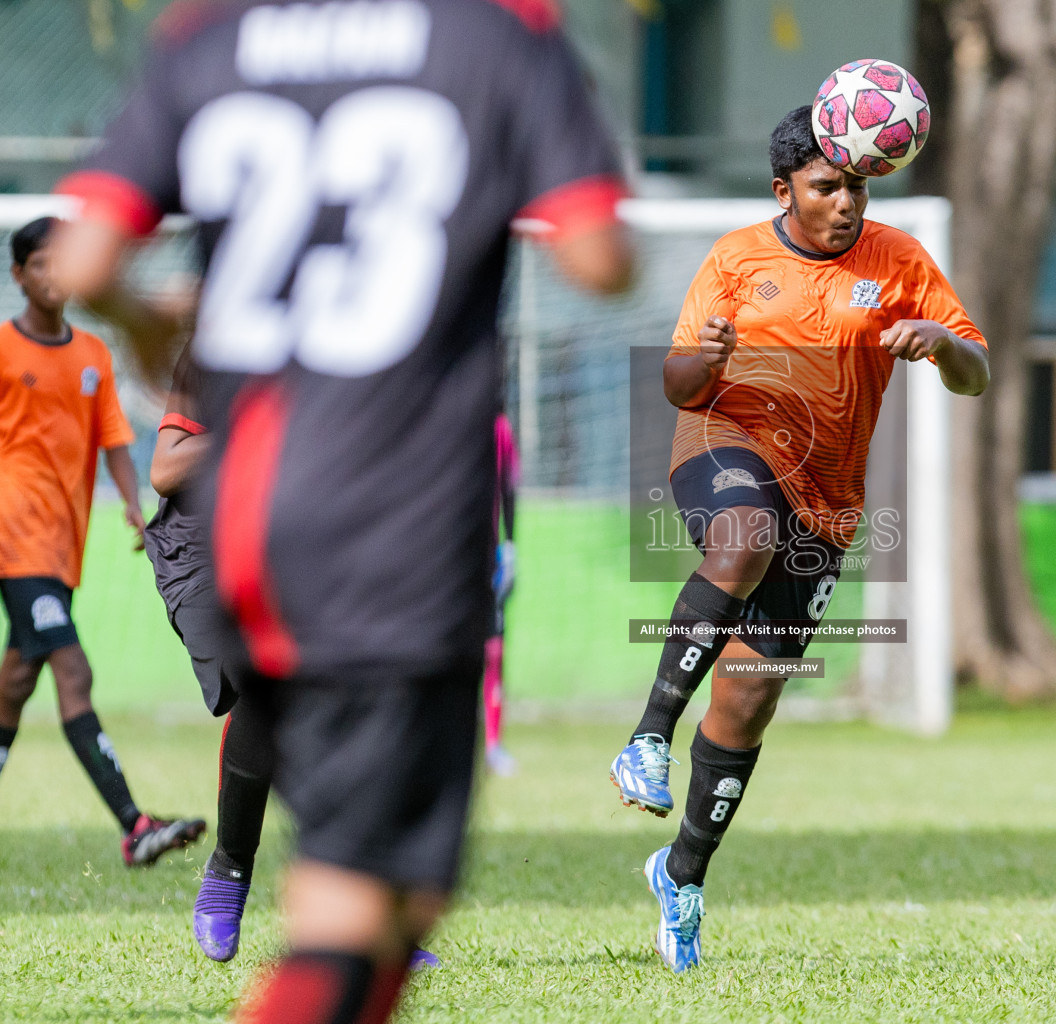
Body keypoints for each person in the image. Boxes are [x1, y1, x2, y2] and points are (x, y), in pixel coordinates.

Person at [50, 0, 632, 1020]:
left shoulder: (210, 35)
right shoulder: (495, 36)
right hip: (397, 520)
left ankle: (243, 886)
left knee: (391, 899)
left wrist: (150, 325)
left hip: (250, 526)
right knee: (358, 905)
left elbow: (88, 261)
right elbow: (600, 256)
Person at [608, 105, 989, 972]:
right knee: (743, 535)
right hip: (723, 445)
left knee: (748, 700)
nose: (846, 200)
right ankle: (647, 736)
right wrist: (705, 356)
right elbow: (678, 385)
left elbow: (978, 374)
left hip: (828, 501)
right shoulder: (737, 257)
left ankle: (682, 876)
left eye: (856, 184)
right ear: (785, 190)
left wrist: (939, 343)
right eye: (827, 186)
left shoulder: (897, 259)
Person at [144, 350, 439, 970]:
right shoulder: (220, 345)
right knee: (261, 681)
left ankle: (369, 916)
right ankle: (228, 876)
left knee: (351, 708)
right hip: (203, 549)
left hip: (299, 547)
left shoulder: (352, 353)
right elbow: (167, 470)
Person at [0, 216, 205, 866]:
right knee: (74, 673)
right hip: (14, 536)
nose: (53, 275)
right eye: (40, 265)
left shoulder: (93, 355)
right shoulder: (3, 351)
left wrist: (135, 511)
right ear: (18, 276)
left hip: (63, 543)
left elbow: (114, 438)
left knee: (14, 682)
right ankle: (135, 823)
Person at [483, 410, 520, 777]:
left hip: (487, 559)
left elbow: (509, 487)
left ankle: (493, 745)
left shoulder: (499, 428)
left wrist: (510, 545)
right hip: (440, 559)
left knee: (493, 650)